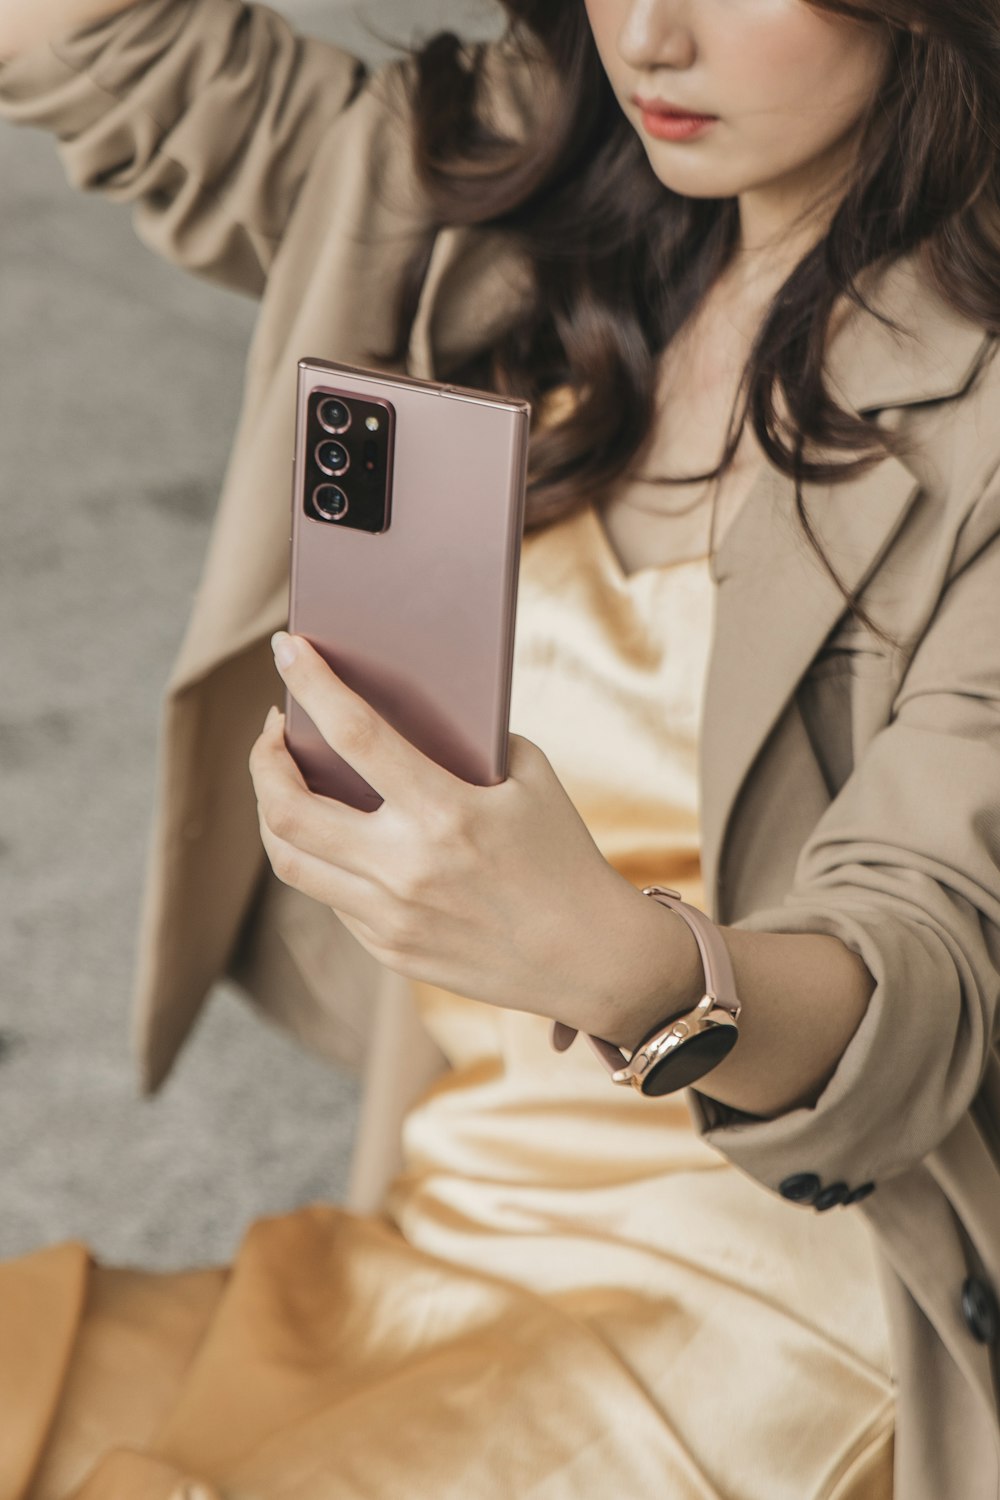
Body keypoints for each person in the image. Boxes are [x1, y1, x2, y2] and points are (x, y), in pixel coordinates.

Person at [1, 0, 998, 1496]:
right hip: (434, 1231)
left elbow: (928, 964)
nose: (650, 35)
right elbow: (99, 42)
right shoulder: (502, 199)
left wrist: (627, 969)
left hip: (775, 1306)